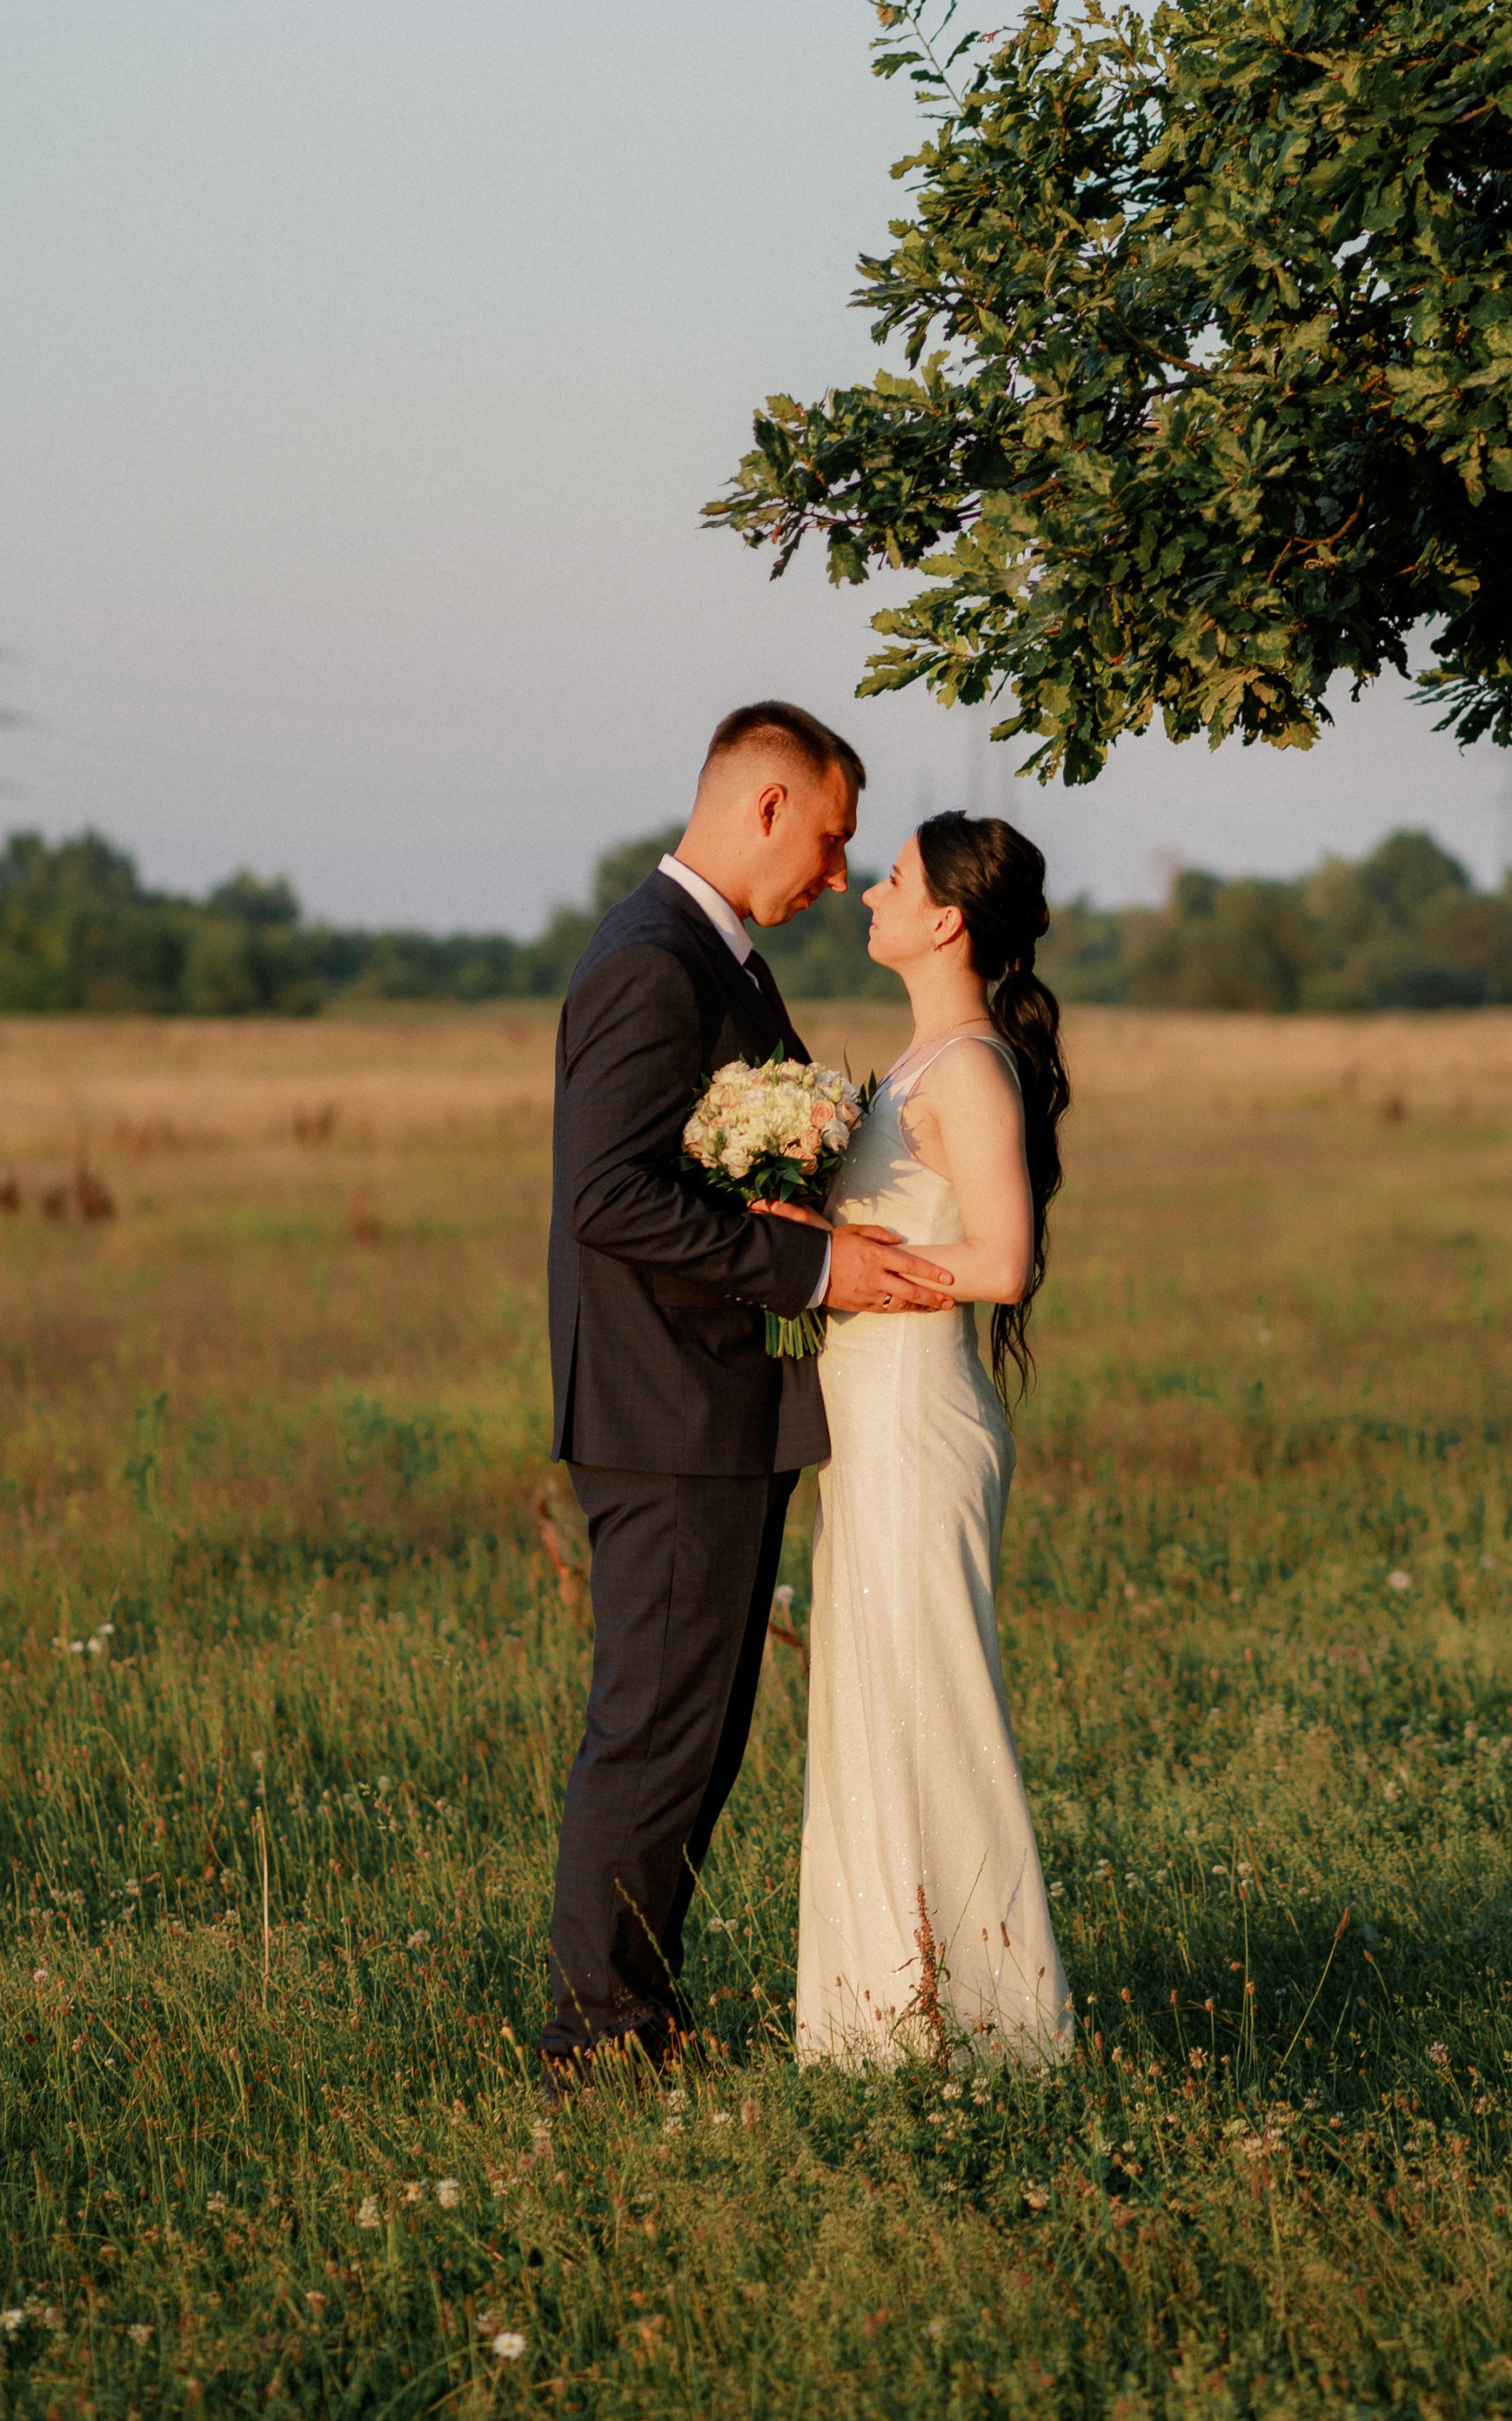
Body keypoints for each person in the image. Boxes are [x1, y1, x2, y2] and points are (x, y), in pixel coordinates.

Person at [540, 701, 953, 2090]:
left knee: (698, 1735)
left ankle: (641, 2016)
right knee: (657, 1731)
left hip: (714, 1407)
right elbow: (609, 1198)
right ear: (766, 806)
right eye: (832, 838)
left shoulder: (723, 960)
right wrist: (812, 1272)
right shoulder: (651, 962)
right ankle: (598, 2043)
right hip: (665, 1413)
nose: (838, 874)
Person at [793, 810, 1074, 2068]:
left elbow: (1004, 1263)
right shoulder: (910, 1068)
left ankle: (997, 2029)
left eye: (893, 878)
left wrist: (859, 1262)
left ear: (947, 918)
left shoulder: (967, 1068)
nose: (868, 894)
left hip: (917, 1415)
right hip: (863, 1422)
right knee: (870, 1704)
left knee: (932, 1702)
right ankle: (887, 2024)